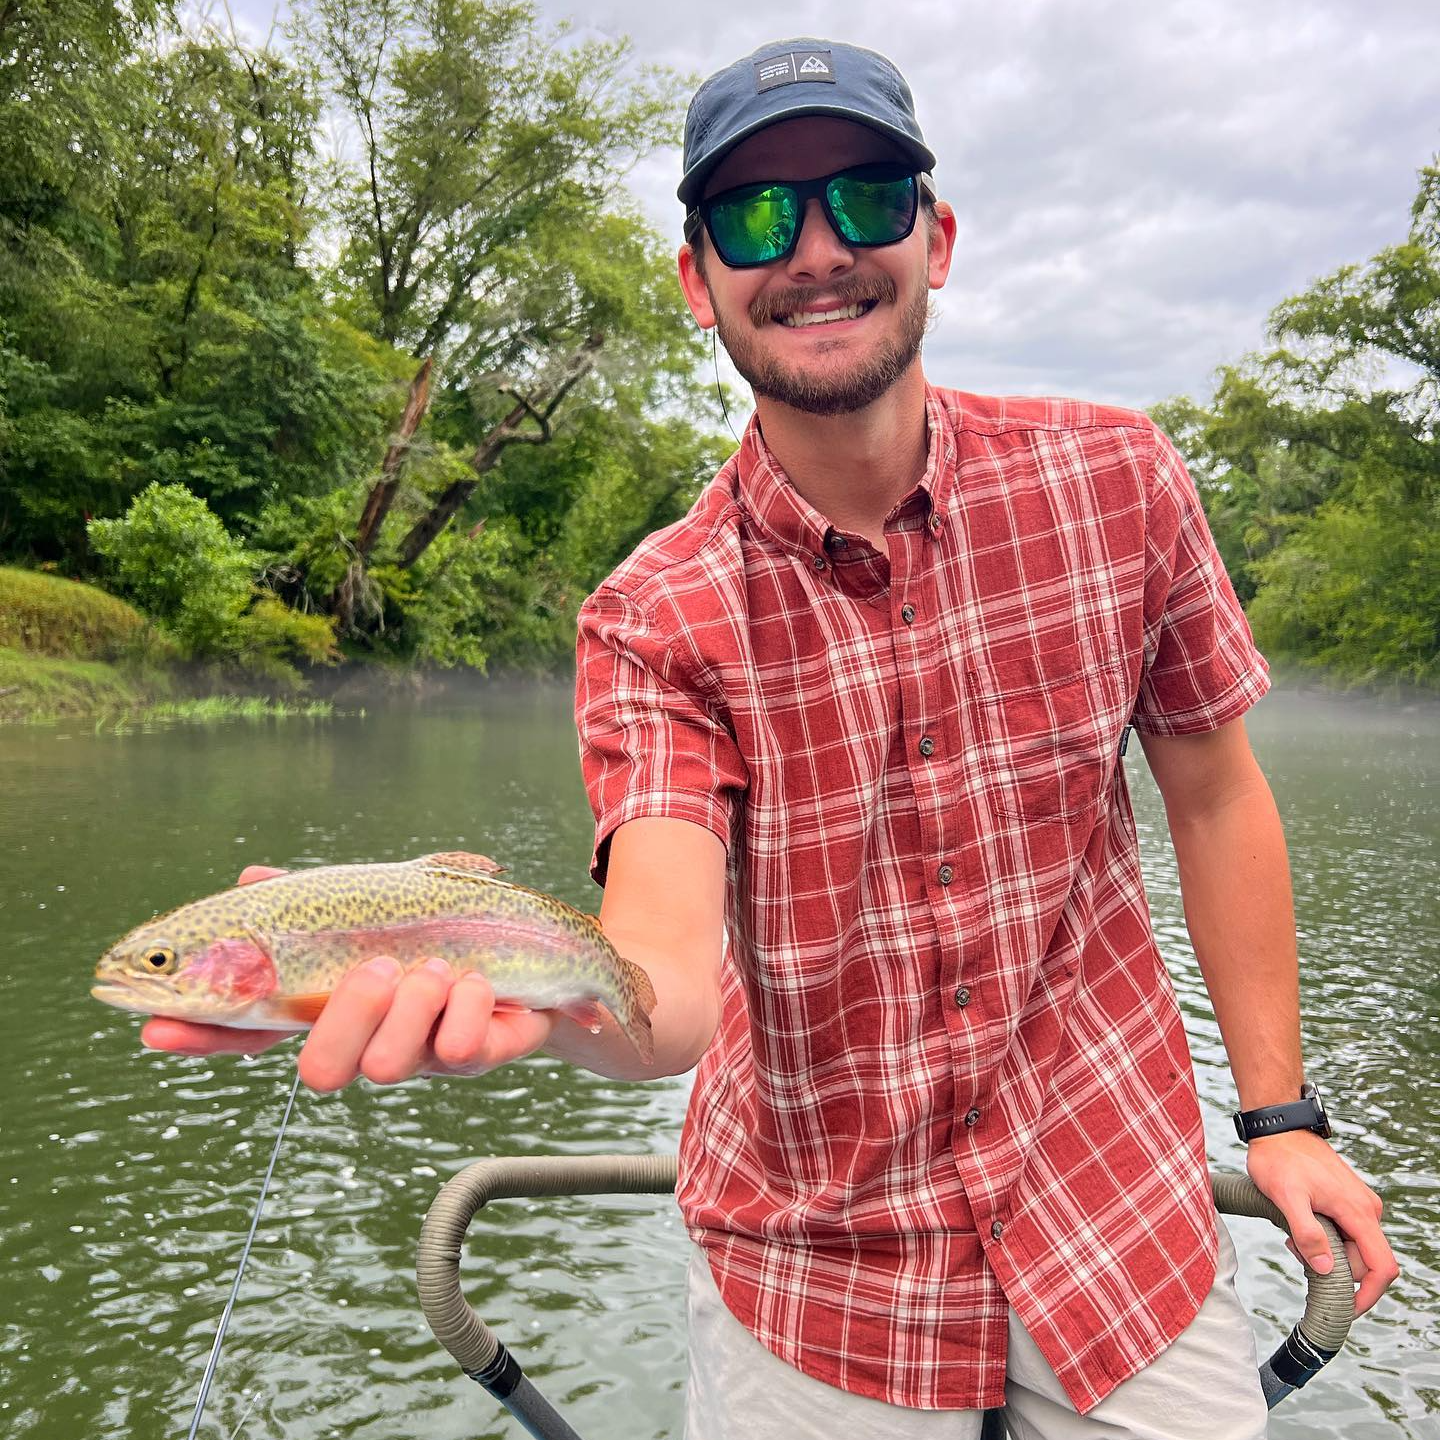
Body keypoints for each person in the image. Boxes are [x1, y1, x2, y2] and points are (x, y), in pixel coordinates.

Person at [146, 36, 1397, 1440]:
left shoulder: (1121, 482)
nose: (814, 250)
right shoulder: (651, 616)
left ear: (936, 238)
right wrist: (540, 1005)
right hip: (813, 1278)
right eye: (753, 216)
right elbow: (665, 977)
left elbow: (1217, 800)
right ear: (698, 282)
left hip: (1119, 1219)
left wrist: (1280, 1119)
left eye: (863, 196)